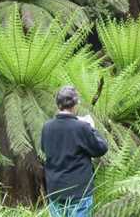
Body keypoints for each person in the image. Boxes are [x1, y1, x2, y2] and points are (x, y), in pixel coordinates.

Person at [40, 85, 108, 217]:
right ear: (75, 104)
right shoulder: (82, 127)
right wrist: (91, 127)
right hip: (79, 192)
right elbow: (101, 148)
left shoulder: (46, 127)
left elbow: (44, 149)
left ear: (58, 104)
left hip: (55, 191)